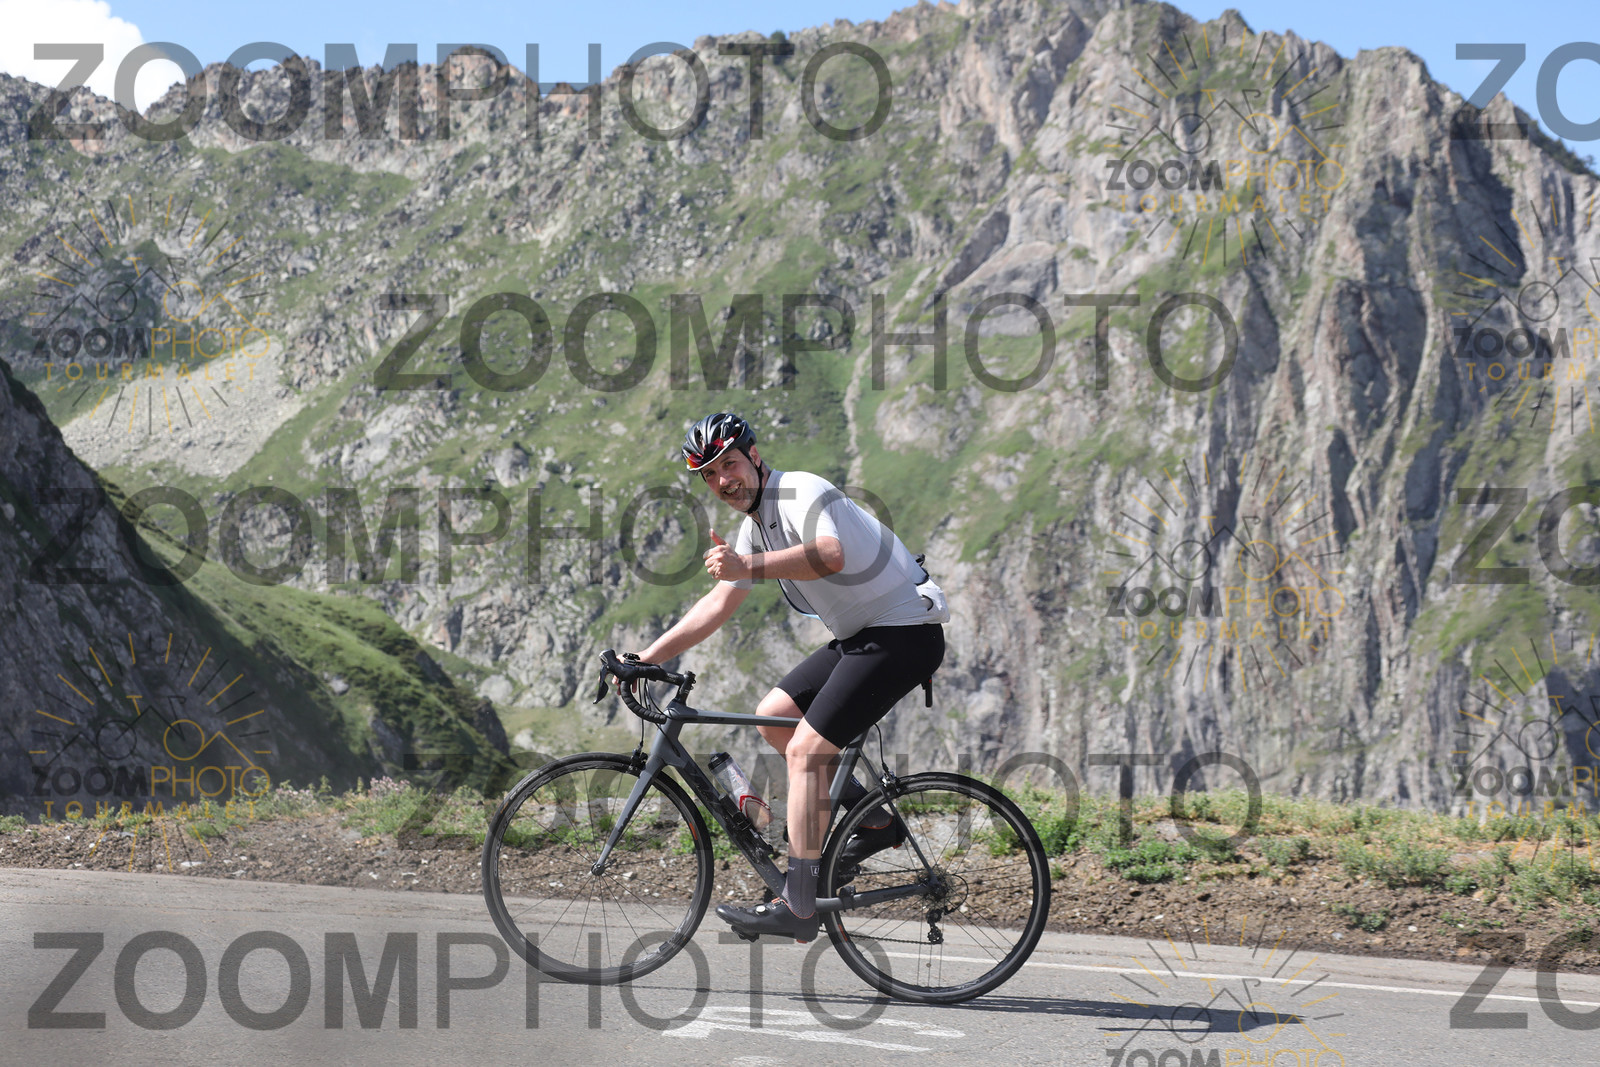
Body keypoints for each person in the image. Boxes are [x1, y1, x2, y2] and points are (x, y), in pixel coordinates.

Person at [630, 412, 946, 941]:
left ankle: (799, 908)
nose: (723, 481)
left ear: (754, 457)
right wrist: (648, 657)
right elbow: (719, 603)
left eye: (730, 465)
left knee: (804, 752)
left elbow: (830, 554)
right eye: (710, 475)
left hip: (904, 630)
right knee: (774, 715)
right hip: (863, 635)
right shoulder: (754, 526)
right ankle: (874, 824)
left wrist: (746, 567)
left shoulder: (800, 491)